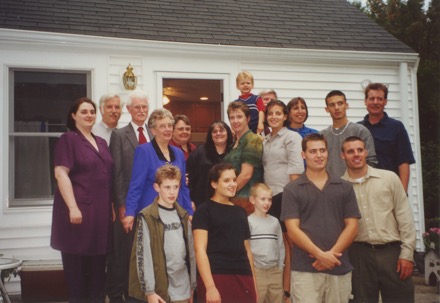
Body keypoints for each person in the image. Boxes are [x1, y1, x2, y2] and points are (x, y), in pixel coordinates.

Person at [281, 133, 360, 303]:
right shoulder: (292, 190)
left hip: (339, 267)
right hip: (305, 271)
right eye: (313, 151)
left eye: (322, 150)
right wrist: (320, 255)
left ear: (328, 152)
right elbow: (292, 230)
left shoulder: (344, 187)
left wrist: (330, 256)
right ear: (303, 155)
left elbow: (352, 226)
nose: (318, 155)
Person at [51, 97, 113, 303]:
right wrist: (72, 207)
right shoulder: (68, 139)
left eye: (92, 111)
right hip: (78, 216)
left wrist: (111, 205)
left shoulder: (102, 142)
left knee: (97, 276)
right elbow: (61, 173)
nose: (89, 115)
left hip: (100, 217)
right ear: (73, 115)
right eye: (84, 111)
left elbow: (106, 176)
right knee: (78, 278)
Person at [340, 136, 416, 303]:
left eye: (360, 150)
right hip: (359, 255)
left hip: (392, 253)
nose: (356, 154)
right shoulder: (339, 187)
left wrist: (407, 254)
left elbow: (405, 217)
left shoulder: (389, 179)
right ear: (343, 156)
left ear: (366, 152)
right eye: (350, 151)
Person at [107, 90, 153, 303]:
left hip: (150, 204)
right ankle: (119, 297)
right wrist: (122, 205)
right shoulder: (119, 135)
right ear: (129, 110)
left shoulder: (154, 134)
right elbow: (116, 172)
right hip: (128, 204)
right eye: (137, 107)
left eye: (144, 107)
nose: (141, 111)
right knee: (124, 253)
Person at [128, 164, 196, 303]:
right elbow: (143, 256)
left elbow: (191, 254)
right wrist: (150, 291)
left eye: (176, 187)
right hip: (160, 291)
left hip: (183, 289)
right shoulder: (147, 216)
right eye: (167, 187)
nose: (172, 192)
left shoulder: (183, 215)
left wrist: (192, 285)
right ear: (157, 187)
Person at [193, 162, 257, 303]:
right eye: (226, 180)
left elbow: (247, 251)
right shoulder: (203, 211)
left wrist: (254, 286)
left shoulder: (240, 212)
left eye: (234, 180)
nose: (233, 184)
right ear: (214, 184)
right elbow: (200, 250)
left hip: (243, 277)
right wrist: (210, 287)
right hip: (216, 276)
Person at [123, 108, 193, 234]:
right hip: (152, 213)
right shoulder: (144, 151)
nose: (167, 129)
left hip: (176, 212)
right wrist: (130, 213)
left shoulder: (178, 153)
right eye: (162, 126)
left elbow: (183, 187)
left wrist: (189, 211)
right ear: (153, 130)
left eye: (169, 125)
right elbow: (136, 185)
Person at [262, 100, 304, 302]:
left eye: (278, 113)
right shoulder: (266, 140)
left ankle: (293, 290)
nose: (274, 117)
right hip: (271, 199)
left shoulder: (292, 137)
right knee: (282, 246)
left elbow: (296, 169)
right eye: (270, 113)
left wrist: (294, 200)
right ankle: (284, 289)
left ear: (285, 116)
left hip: (286, 195)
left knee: (292, 244)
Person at [359, 83, 415, 192]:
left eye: (379, 99)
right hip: (363, 189)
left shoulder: (396, 127)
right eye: (372, 98)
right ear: (365, 101)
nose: (375, 102)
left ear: (385, 102)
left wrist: (403, 194)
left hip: (389, 189)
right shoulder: (358, 128)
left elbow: (403, 162)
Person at [321, 90, 377, 177]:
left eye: (340, 103)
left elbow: (371, 161)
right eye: (332, 105)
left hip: (356, 185)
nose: (336, 107)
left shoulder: (360, 131)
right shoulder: (322, 135)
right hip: (330, 186)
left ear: (346, 105)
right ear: (327, 109)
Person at [223, 101, 263, 214]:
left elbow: (246, 175)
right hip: (234, 201)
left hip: (247, 202)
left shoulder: (252, 140)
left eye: (239, 117)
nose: (235, 121)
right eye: (232, 117)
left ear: (248, 118)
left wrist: (226, 195)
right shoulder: (233, 144)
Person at [248, 183, 285, 303]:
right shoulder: (249, 222)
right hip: (257, 271)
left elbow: (280, 247)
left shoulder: (274, 222)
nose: (267, 203)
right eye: (263, 199)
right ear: (253, 200)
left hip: (274, 271)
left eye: (269, 199)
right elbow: (247, 248)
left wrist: (280, 267)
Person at [186, 121, 233, 209]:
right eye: (214, 131)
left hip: (228, 202)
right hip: (202, 202)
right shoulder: (199, 152)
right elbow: (189, 178)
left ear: (228, 132)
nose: (218, 133)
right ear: (210, 135)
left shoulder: (234, 151)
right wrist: (190, 201)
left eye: (221, 130)